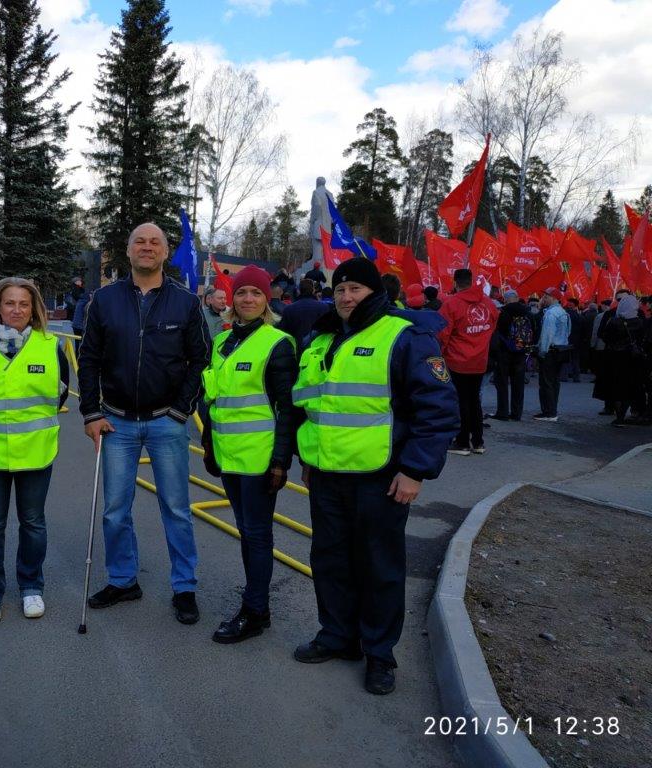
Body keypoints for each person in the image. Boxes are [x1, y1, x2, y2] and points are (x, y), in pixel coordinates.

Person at [291, 257, 458, 695]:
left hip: (381, 478)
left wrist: (414, 470)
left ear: (375, 293)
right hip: (326, 475)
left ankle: (379, 654)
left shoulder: (404, 336)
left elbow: (437, 410)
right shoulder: (322, 337)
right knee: (329, 560)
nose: (346, 297)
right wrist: (309, 458)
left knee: (379, 567)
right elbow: (313, 407)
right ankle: (337, 636)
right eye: (340, 289)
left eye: (356, 290)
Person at [79, 222, 212, 624]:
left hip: (165, 422)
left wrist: (180, 411)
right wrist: (91, 412)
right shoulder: (103, 300)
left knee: (176, 508)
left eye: (155, 242)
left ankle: (184, 586)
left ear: (166, 252)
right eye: (140, 241)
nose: (147, 247)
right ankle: (123, 580)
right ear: (129, 249)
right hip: (116, 422)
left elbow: (200, 360)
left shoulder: (186, 303)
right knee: (115, 510)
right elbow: (88, 359)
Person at [0, 277, 70, 624]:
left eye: (24, 303)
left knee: (33, 523)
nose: (17, 310)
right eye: (10, 303)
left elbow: (61, 393)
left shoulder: (50, 347)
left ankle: (31, 586)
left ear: (33, 308)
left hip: (36, 452)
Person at [199, 266, 297, 644]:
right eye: (242, 294)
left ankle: (255, 611)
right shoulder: (223, 343)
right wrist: (209, 443)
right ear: (232, 300)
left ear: (266, 300)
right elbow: (214, 401)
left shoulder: (278, 343)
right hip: (229, 457)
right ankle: (257, 608)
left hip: (259, 462)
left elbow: (287, 409)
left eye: (256, 293)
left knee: (256, 535)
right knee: (246, 533)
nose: (249, 300)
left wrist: (280, 461)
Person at [438, 269, 499, 455]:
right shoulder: (488, 303)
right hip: (479, 360)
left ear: (455, 283)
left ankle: (462, 441)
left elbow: (442, 334)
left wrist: (440, 354)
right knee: (474, 401)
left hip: (457, 360)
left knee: (461, 401)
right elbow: (493, 325)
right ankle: (478, 441)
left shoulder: (451, 304)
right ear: (471, 281)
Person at [600, 295, 647, 426]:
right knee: (629, 387)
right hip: (633, 358)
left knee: (616, 387)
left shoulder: (614, 321)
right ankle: (628, 413)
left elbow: (605, 337)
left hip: (615, 357)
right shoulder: (639, 322)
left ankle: (619, 417)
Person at [489, 289, 531, 422]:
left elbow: (497, 332)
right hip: (521, 351)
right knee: (518, 383)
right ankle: (516, 413)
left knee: (501, 383)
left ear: (506, 299)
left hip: (504, 352)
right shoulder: (527, 312)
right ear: (517, 298)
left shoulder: (504, 312)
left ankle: (503, 412)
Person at [534, 288, 571, 422]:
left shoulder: (550, 314)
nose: (544, 298)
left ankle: (549, 412)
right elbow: (568, 332)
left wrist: (542, 351)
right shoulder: (563, 312)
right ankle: (552, 410)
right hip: (560, 350)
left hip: (550, 351)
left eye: (546, 296)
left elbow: (547, 336)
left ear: (553, 298)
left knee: (546, 382)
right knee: (554, 382)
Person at [278, 278, 330, 351]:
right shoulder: (324, 307)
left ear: (299, 290)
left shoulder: (288, 309)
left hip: (295, 350)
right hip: (318, 350)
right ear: (313, 290)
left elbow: (283, 332)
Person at [562, 298, 584, 383]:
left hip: (567, 339)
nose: (569, 304)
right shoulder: (579, 316)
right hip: (576, 340)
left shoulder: (565, 314)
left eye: (570, 303)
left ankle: (564, 376)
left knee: (566, 358)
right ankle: (576, 377)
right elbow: (582, 329)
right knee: (575, 359)